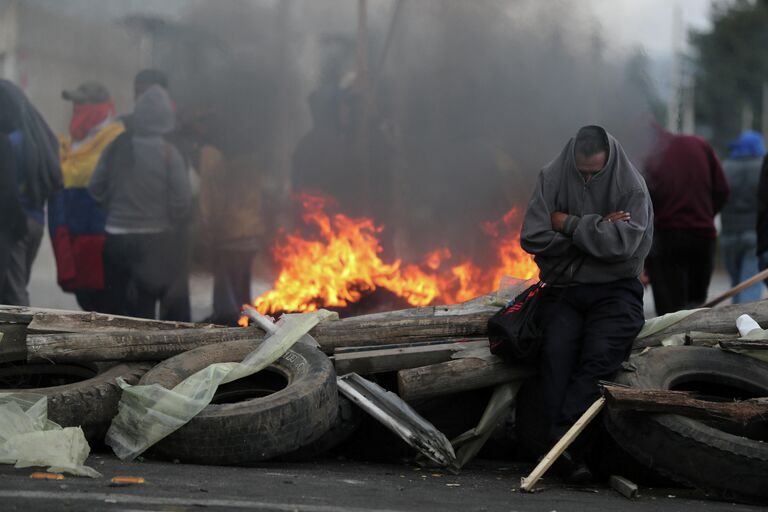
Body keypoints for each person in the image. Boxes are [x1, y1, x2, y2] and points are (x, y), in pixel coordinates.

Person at [520, 125, 653, 482]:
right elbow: (532, 236)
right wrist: (597, 232)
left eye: (595, 174)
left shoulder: (631, 186)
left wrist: (569, 224)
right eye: (582, 173)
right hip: (565, 287)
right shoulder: (552, 176)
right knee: (554, 358)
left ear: (608, 162)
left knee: (597, 361)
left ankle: (563, 449)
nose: (588, 179)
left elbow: (623, 248)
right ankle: (561, 451)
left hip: (616, 291)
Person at [88, 85, 191, 319]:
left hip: (115, 239)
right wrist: (169, 218)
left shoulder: (116, 146)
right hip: (155, 241)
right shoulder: (169, 153)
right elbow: (182, 200)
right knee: (145, 310)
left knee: (116, 308)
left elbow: (95, 188)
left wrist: (113, 210)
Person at [48, 82, 124, 312]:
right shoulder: (71, 143)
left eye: (82, 104)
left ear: (101, 107)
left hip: (98, 236)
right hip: (70, 234)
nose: (76, 109)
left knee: (106, 304)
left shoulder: (115, 140)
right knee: (86, 300)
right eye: (75, 104)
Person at [644, 126, 729, 315]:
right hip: (703, 236)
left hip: (667, 238)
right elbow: (722, 190)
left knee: (671, 314)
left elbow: (644, 208)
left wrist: (644, 262)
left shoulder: (651, 155)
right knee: (696, 307)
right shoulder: (700, 144)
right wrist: (705, 215)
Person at [0, 80, 62, 306]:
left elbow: (7, 191)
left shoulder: (11, 142)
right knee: (19, 285)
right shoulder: (36, 139)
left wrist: (16, 223)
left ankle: (20, 339)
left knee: (13, 293)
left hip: (16, 224)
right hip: (36, 220)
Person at [720, 131, 765, 303]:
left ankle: (734, 323)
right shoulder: (762, 166)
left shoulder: (726, 167)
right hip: (755, 234)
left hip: (729, 232)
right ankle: (745, 325)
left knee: (736, 284)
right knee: (750, 284)